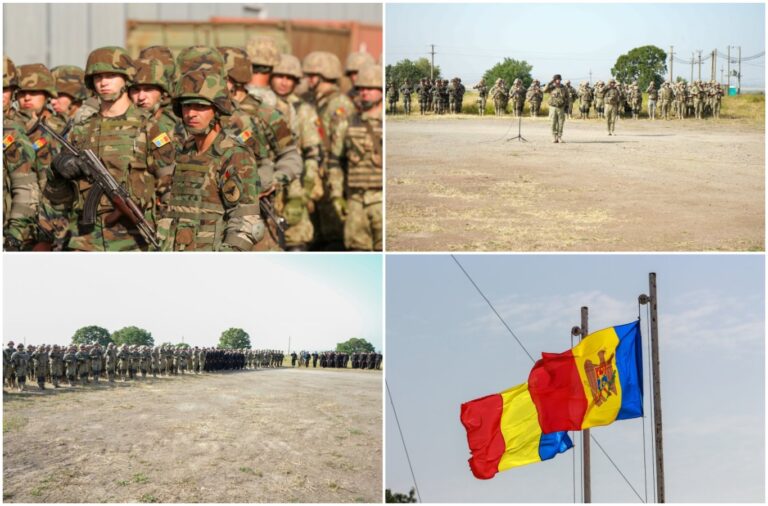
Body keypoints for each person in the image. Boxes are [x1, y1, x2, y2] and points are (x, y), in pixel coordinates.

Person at [157, 70, 263, 251]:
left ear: (218, 110)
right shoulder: (185, 151)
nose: (191, 113)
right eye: (186, 106)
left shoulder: (235, 155)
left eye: (200, 106)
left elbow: (246, 222)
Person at [327, 64, 382, 251]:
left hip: (381, 201)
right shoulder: (348, 123)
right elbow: (335, 161)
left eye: (370, 88)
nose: (364, 93)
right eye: (361, 88)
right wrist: (336, 195)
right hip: (355, 201)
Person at [542, 74, 567, 143]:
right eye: (556, 79)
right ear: (554, 80)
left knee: (561, 123)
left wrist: (566, 106)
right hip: (553, 107)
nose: (557, 81)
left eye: (559, 79)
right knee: (553, 122)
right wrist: (550, 82)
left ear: (560, 80)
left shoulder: (563, 87)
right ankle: (554, 137)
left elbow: (567, 97)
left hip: (561, 107)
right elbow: (544, 90)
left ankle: (559, 137)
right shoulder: (551, 87)